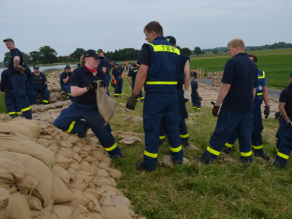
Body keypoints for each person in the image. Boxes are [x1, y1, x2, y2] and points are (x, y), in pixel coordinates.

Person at [126, 21, 183, 172]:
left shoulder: (149, 47)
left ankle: (149, 165)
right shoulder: (175, 50)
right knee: (172, 127)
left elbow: (142, 73)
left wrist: (134, 95)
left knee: (152, 129)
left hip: (155, 97)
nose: (145, 38)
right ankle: (178, 158)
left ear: (153, 33)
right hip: (172, 95)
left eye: (146, 35)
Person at [195, 38, 258, 164]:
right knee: (245, 135)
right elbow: (254, 88)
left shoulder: (232, 63)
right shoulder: (253, 64)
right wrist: (250, 100)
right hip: (248, 108)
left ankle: (208, 159)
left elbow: (226, 86)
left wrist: (217, 105)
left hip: (232, 107)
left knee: (221, 132)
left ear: (236, 48)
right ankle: (247, 162)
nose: (228, 52)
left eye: (229, 49)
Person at [53, 49, 123, 158]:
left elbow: (103, 92)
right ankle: (82, 127)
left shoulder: (100, 73)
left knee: (105, 134)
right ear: (87, 59)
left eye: (98, 59)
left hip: (94, 108)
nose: (98, 61)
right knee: (58, 123)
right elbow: (74, 92)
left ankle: (116, 154)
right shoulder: (78, 72)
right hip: (77, 106)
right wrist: (89, 88)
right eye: (95, 59)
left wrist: (103, 88)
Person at [222, 55, 270, 160]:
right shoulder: (241, 72)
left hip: (256, 107)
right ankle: (226, 148)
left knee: (256, 128)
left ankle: (258, 152)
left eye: (250, 62)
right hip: (243, 106)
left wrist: (267, 105)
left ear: (255, 64)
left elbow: (265, 90)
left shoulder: (261, 74)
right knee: (236, 127)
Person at [159, 36, 191, 148]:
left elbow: (187, 76)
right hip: (167, 89)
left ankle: (184, 139)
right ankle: (162, 137)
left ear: (175, 45)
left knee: (178, 115)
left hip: (175, 90)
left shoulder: (183, 57)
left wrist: (186, 92)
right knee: (164, 115)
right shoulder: (178, 57)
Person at [3, 38, 32, 119]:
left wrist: (15, 65)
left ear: (13, 43)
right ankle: (27, 114)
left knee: (20, 95)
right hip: (18, 77)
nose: (8, 46)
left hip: (17, 77)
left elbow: (16, 59)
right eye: (6, 44)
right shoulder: (14, 51)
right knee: (20, 95)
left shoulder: (15, 51)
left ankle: (27, 115)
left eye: (9, 44)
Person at [273, 73, 292, 169]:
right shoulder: (286, 91)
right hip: (287, 117)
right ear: (290, 78)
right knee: (282, 138)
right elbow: (281, 107)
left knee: (287, 140)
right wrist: (287, 120)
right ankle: (279, 164)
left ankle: (279, 164)